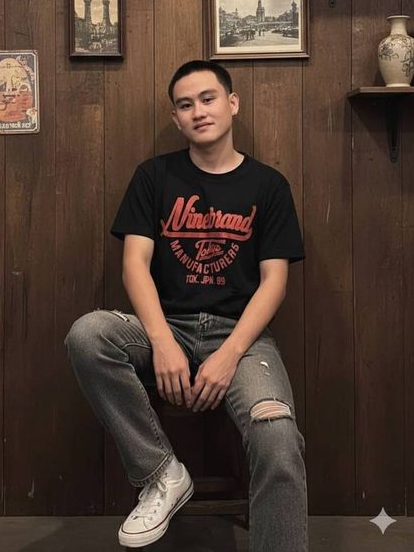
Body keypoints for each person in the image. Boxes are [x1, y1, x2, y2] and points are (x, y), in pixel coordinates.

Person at [65, 59, 308, 551]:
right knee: (88, 335)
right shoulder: (154, 177)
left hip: (241, 337)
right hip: (167, 326)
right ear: (175, 118)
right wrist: (162, 342)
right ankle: (161, 472)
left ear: (232, 103)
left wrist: (229, 354)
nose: (198, 111)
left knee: (278, 439)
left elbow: (274, 282)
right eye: (185, 104)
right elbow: (135, 265)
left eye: (208, 98)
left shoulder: (268, 186)